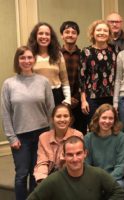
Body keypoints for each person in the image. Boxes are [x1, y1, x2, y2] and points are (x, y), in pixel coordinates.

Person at [1, 46, 54, 200]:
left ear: (34, 59)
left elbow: (51, 110)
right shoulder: (9, 84)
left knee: (36, 173)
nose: (26, 61)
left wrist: (51, 134)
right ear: (17, 60)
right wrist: (11, 137)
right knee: (22, 174)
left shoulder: (43, 82)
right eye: (22, 58)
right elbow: (5, 112)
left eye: (29, 57)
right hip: (20, 137)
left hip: (41, 134)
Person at [27, 136, 124, 200]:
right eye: (70, 155)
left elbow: (119, 193)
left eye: (78, 153)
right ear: (64, 156)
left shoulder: (98, 174)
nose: (75, 159)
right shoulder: (54, 180)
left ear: (85, 154)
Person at [34, 104, 84, 183]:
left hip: (70, 178)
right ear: (52, 119)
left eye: (65, 116)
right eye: (58, 116)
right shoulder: (43, 137)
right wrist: (43, 181)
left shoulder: (77, 135)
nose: (62, 119)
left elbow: (76, 163)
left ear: (70, 119)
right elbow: (42, 162)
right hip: (48, 178)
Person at [80, 20, 116, 125]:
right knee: (94, 126)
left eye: (105, 30)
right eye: (98, 30)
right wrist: (83, 100)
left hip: (111, 97)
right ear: (93, 33)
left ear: (109, 34)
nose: (102, 32)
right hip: (92, 98)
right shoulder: (86, 51)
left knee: (109, 127)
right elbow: (81, 77)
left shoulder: (115, 50)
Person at [84, 104, 124, 187]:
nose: (107, 121)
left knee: (119, 186)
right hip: (94, 178)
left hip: (115, 178)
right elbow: (86, 164)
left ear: (115, 120)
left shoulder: (121, 137)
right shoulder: (88, 138)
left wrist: (106, 180)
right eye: (104, 118)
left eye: (111, 118)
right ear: (97, 119)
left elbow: (122, 166)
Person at [27, 22, 71, 105]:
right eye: (40, 33)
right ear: (35, 36)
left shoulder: (58, 55)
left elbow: (64, 80)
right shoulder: (29, 55)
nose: (44, 36)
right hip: (35, 95)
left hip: (56, 95)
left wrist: (68, 98)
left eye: (47, 34)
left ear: (51, 37)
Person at [60, 21, 87, 134]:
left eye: (73, 32)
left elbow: (85, 79)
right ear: (62, 35)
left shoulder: (84, 55)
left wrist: (76, 97)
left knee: (80, 133)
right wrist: (66, 98)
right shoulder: (56, 55)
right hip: (61, 101)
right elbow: (55, 79)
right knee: (62, 134)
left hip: (79, 102)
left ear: (77, 35)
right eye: (67, 32)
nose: (70, 34)